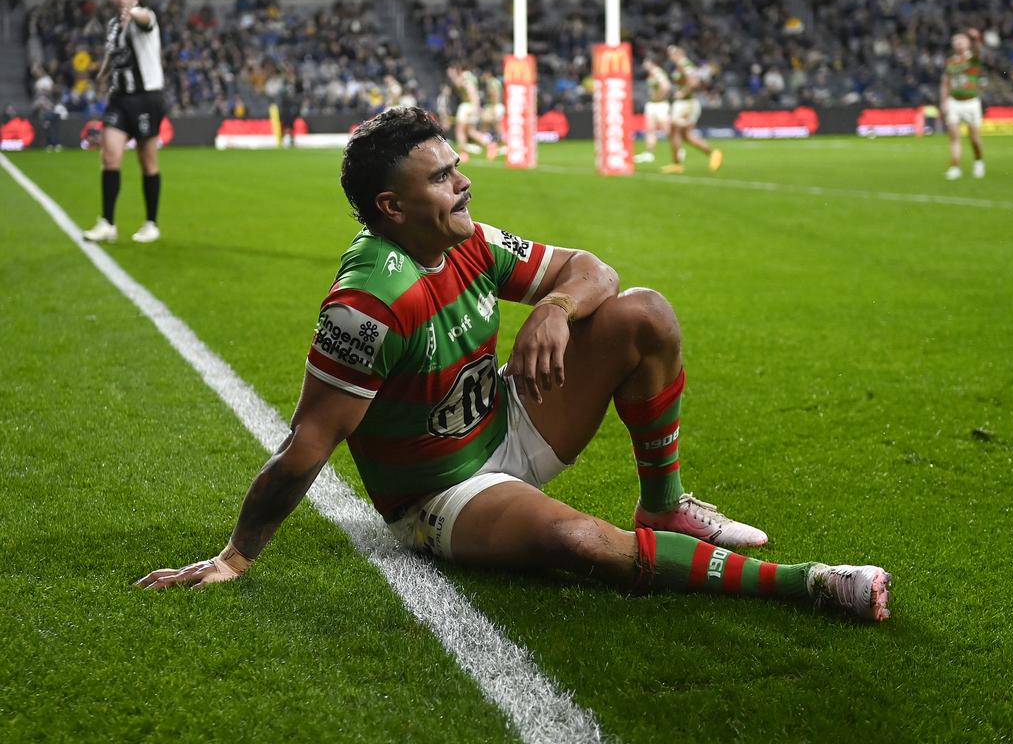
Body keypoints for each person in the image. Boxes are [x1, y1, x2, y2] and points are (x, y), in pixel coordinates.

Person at [136, 107, 892, 622]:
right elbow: (306, 447)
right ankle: (813, 586)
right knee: (579, 543)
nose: (463, 182)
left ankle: (664, 502)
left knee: (643, 313)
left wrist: (557, 309)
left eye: (456, 166)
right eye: (440, 178)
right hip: (442, 493)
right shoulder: (365, 304)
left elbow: (591, 268)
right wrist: (236, 556)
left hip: (509, 418)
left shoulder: (468, 238)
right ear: (391, 208)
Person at [83, 0, 165, 245]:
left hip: (146, 98)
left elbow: (144, 19)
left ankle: (151, 223)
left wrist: (135, 12)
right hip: (119, 98)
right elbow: (112, 53)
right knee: (109, 156)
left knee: (147, 161)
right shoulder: (113, 25)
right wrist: (102, 74)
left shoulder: (144, 17)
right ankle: (107, 223)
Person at [661, 45, 722, 175]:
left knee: (674, 132)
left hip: (685, 103)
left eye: (673, 53)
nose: (671, 57)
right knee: (687, 135)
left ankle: (677, 164)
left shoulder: (685, 64)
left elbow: (694, 82)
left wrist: (682, 92)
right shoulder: (682, 65)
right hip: (688, 103)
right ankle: (713, 153)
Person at [940, 29, 985, 180]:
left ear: (967, 43)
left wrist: (977, 38)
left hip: (971, 102)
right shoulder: (950, 62)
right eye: (956, 40)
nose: (958, 43)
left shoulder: (973, 59)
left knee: (974, 138)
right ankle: (955, 167)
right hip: (954, 102)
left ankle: (978, 161)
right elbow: (945, 83)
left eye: (962, 40)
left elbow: (979, 50)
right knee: (954, 136)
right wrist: (944, 101)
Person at [447, 62, 496, 162]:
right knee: (470, 131)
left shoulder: (465, 77)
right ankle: (489, 144)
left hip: (467, 106)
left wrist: (453, 75)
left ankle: (463, 153)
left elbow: (469, 90)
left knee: (459, 130)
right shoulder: (471, 77)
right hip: (471, 105)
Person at [635, 56, 671, 164]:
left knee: (667, 129)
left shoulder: (658, 72)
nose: (644, 64)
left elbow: (666, 86)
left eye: (646, 62)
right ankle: (649, 153)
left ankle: (678, 150)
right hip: (652, 104)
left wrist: (659, 96)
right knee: (650, 129)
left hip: (660, 104)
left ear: (651, 62)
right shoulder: (651, 74)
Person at [479, 70, 506, 157]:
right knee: (492, 126)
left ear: (489, 74)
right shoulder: (497, 81)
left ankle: (496, 145)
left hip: (493, 106)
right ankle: (500, 145)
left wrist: (494, 108)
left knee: (491, 126)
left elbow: (495, 94)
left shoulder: (491, 82)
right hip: (496, 105)